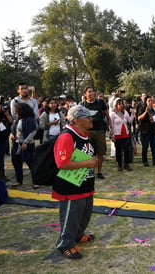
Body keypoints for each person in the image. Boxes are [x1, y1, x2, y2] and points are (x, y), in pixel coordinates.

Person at [52, 105, 98, 259]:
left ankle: (78, 235)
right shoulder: (67, 136)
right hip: (71, 186)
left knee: (84, 213)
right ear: (77, 120)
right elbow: (62, 163)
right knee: (71, 216)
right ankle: (65, 244)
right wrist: (87, 163)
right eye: (88, 117)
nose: (91, 119)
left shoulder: (84, 134)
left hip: (84, 183)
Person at [80, 86, 111, 180]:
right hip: (87, 132)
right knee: (87, 152)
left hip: (100, 131)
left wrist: (111, 128)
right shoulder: (82, 105)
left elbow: (107, 115)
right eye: (89, 92)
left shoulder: (100, 102)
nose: (92, 93)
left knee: (100, 152)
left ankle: (99, 172)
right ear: (85, 94)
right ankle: (88, 171)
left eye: (93, 91)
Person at [10, 103, 39, 188]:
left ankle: (36, 181)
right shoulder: (17, 120)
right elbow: (13, 129)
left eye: (16, 111)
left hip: (27, 144)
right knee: (16, 162)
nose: (15, 112)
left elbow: (33, 132)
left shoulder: (30, 120)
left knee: (31, 163)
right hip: (17, 143)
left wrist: (26, 142)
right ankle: (19, 180)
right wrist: (12, 134)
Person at [110, 98, 134, 171]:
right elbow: (111, 125)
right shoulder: (113, 113)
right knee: (118, 151)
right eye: (119, 104)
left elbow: (129, 121)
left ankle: (126, 164)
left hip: (125, 134)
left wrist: (133, 114)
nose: (121, 105)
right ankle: (119, 164)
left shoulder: (125, 112)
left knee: (127, 150)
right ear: (116, 105)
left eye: (122, 104)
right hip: (117, 135)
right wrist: (112, 135)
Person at [137, 96, 155, 167]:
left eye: (151, 101)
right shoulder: (143, 109)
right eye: (148, 101)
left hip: (153, 131)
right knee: (145, 147)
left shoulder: (152, 110)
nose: (150, 102)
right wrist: (145, 112)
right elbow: (139, 118)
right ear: (145, 102)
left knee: (154, 147)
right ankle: (145, 161)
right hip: (145, 131)